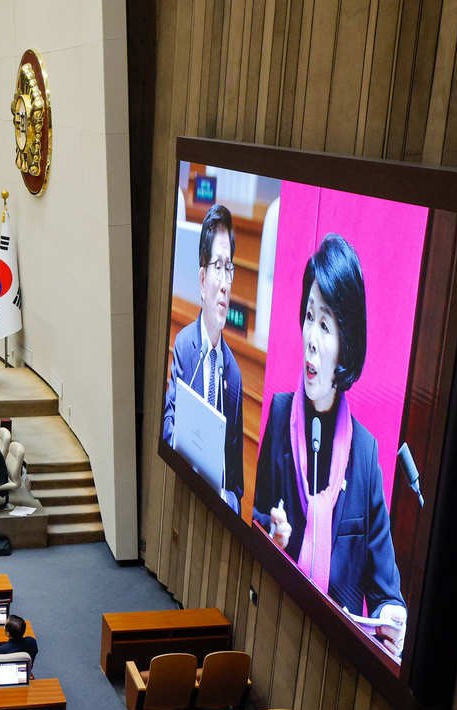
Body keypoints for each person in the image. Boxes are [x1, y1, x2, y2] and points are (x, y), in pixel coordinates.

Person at [252, 234, 407, 658]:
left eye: (325, 325)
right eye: (308, 317)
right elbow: (256, 520)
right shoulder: (281, 416)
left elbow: (386, 594)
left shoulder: (365, 456)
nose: (311, 339)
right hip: (276, 629)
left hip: (334, 656)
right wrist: (273, 536)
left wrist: (395, 618)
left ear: (345, 347)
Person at [161, 203, 245, 513]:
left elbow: (237, 484)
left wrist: (226, 499)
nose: (225, 283)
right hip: (181, 492)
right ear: (201, 278)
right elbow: (168, 421)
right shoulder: (184, 346)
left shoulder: (233, 376)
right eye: (218, 266)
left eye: (230, 268)